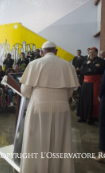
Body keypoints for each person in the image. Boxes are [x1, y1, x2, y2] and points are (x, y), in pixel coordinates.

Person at [19, 41, 78, 173]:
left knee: (36, 139)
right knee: (60, 139)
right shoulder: (68, 66)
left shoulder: (34, 64)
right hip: (62, 107)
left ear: (42, 52)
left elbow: (25, 91)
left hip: (39, 107)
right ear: (56, 51)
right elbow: (70, 92)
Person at [77, 47, 105, 124]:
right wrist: (93, 66)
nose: (91, 54)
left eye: (93, 52)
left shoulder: (101, 61)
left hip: (95, 83)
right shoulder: (85, 61)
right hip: (85, 83)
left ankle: (92, 118)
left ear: (96, 53)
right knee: (84, 99)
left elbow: (96, 71)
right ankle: (83, 116)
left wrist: (90, 65)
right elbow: (82, 71)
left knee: (94, 100)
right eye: (90, 52)